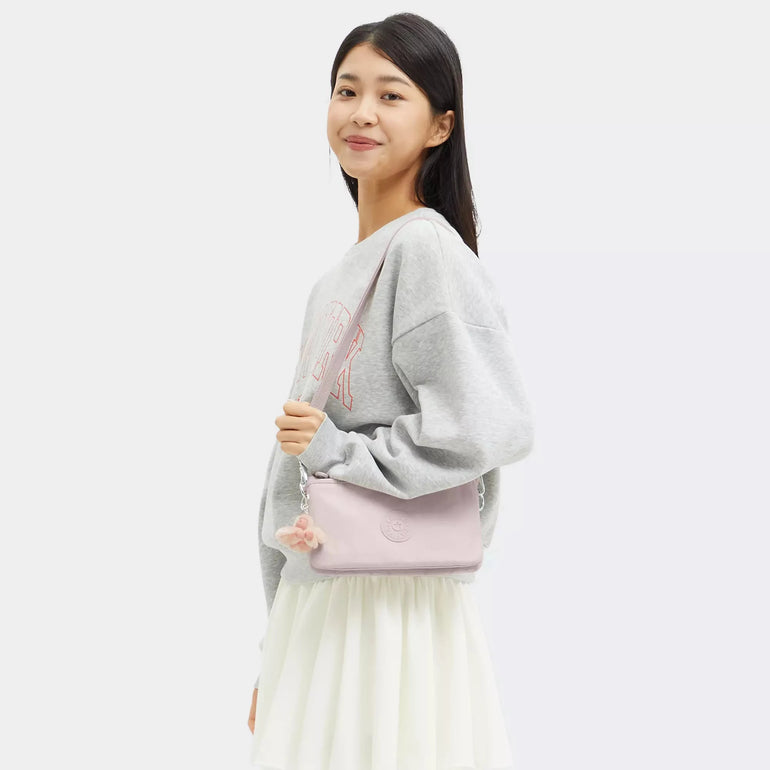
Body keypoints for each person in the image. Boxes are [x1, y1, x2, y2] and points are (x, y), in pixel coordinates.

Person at [248, 12, 535, 769]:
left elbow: (490, 426)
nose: (362, 113)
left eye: (391, 94)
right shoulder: (336, 279)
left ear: (441, 126)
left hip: (387, 610)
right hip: (323, 601)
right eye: (346, 91)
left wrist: (337, 452)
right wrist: (276, 642)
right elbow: (290, 480)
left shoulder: (424, 249)